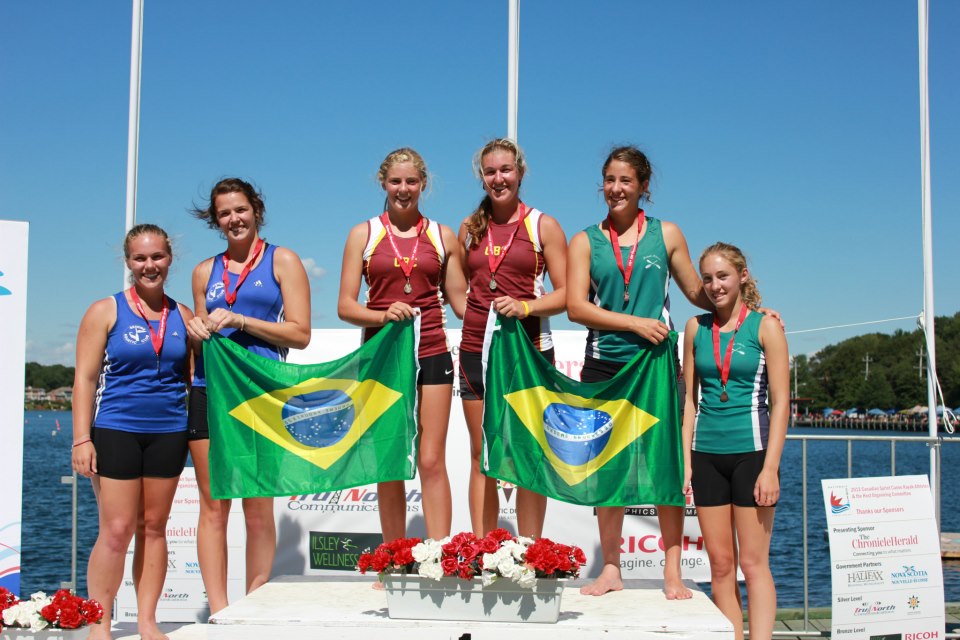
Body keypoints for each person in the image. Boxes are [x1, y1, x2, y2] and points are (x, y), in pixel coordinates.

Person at [566, 145, 710, 599]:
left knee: (664, 465)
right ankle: (611, 568)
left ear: (644, 186)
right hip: (604, 365)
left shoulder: (667, 234)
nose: (616, 188)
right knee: (608, 469)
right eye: (610, 180)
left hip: (654, 365)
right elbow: (576, 307)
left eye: (626, 180)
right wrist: (634, 323)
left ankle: (672, 572)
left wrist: (751, 308)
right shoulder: (585, 240)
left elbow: (697, 292)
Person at [185, 178, 311, 614]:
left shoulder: (283, 260)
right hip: (210, 391)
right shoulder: (204, 271)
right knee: (213, 507)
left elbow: (300, 334)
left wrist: (241, 320)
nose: (234, 219)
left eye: (240, 209)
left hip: (261, 392)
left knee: (258, 508)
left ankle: (253, 606)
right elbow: (200, 338)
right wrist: (196, 330)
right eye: (224, 213)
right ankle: (220, 612)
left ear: (256, 210)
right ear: (215, 220)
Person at [338, 147, 466, 543]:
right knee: (390, 462)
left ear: (423, 184)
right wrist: (382, 315)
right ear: (383, 183)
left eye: (411, 181)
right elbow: (345, 306)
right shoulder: (363, 234)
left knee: (430, 459)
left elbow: (462, 304)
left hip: (432, 352)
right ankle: (393, 556)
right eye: (396, 181)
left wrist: (507, 305)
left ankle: (440, 554)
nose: (404, 189)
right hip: (382, 356)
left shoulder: (443, 236)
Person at [72, 224, 193, 640]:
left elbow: (194, 377)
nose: (149, 265)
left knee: (154, 527)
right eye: (140, 258)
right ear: (128, 262)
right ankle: (99, 624)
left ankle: (146, 622)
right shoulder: (104, 310)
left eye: (157, 256)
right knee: (117, 529)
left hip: (170, 431)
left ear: (170, 259)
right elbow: (85, 380)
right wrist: (81, 439)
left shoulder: (183, 316)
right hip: (116, 428)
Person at [457, 138, 567, 537]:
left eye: (506, 170)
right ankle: (482, 551)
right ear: (481, 177)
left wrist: (525, 307)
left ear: (520, 173)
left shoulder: (543, 225)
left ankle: (531, 552)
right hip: (476, 351)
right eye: (490, 172)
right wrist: (472, 315)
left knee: (529, 453)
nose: (498, 178)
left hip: (528, 352)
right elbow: (459, 287)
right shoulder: (469, 228)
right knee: (481, 454)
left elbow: (567, 295)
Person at [681, 242, 788, 640]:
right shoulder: (695, 328)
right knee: (721, 565)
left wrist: (771, 468)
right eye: (708, 278)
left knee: (754, 566)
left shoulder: (766, 326)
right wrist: (686, 461)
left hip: (753, 457)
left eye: (723, 276)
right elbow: (689, 402)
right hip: (706, 457)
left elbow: (781, 403)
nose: (715, 285)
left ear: (742, 276)